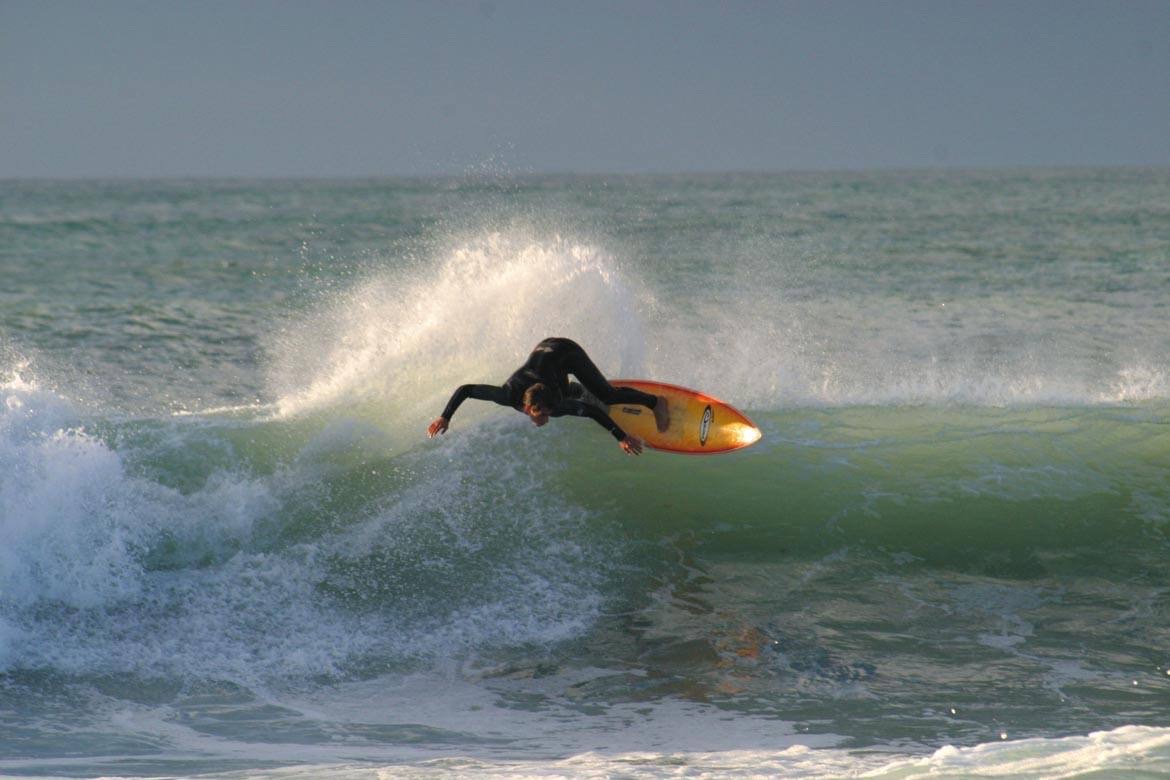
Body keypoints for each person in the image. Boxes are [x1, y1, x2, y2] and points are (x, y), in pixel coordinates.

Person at [427, 337, 668, 456]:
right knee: (569, 392)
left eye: (545, 414)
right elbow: (467, 390)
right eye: (540, 414)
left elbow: (591, 412)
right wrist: (445, 417)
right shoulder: (507, 395)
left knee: (606, 397)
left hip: (565, 352)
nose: (544, 419)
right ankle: (573, 388)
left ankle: (655, 402)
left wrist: (621, 436)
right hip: (544, 356)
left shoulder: (554, 405)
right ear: (526, 406)